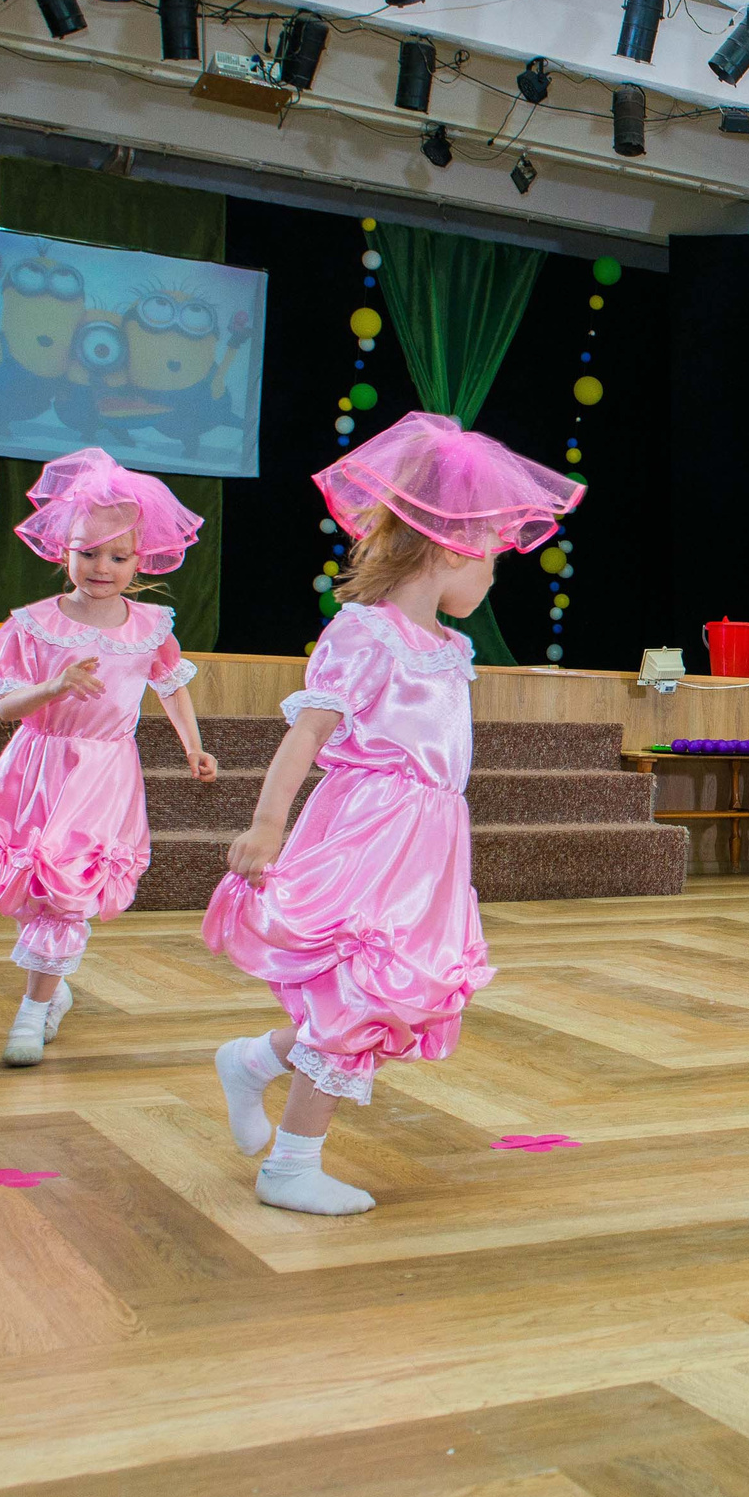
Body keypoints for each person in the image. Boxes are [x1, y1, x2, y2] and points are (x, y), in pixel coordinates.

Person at [206, 414, 582, 1216]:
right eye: (490, 559)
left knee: (380, 997)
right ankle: (291, 1166)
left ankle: (252, 1063)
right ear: (449, 548)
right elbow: (307, 732)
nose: (490, 579)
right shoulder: (364, 633)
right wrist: (268, 826)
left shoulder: (447, 645)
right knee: (358, 994)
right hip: (366, 835)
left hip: (427, 844)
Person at [0, 449, 214, 1068]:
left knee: (67, 885)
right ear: (63, 551)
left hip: (103, 772)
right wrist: (55, 686)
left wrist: (193, 746)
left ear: (138, 560)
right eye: (88, 552)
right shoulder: (32, 626)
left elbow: (169, 685)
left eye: (118, 556)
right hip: (36, 765)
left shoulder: (149, 625)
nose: (102, 567)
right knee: (36, 887)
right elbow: (6, 709)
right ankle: (53, 987)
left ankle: (33, 1008)